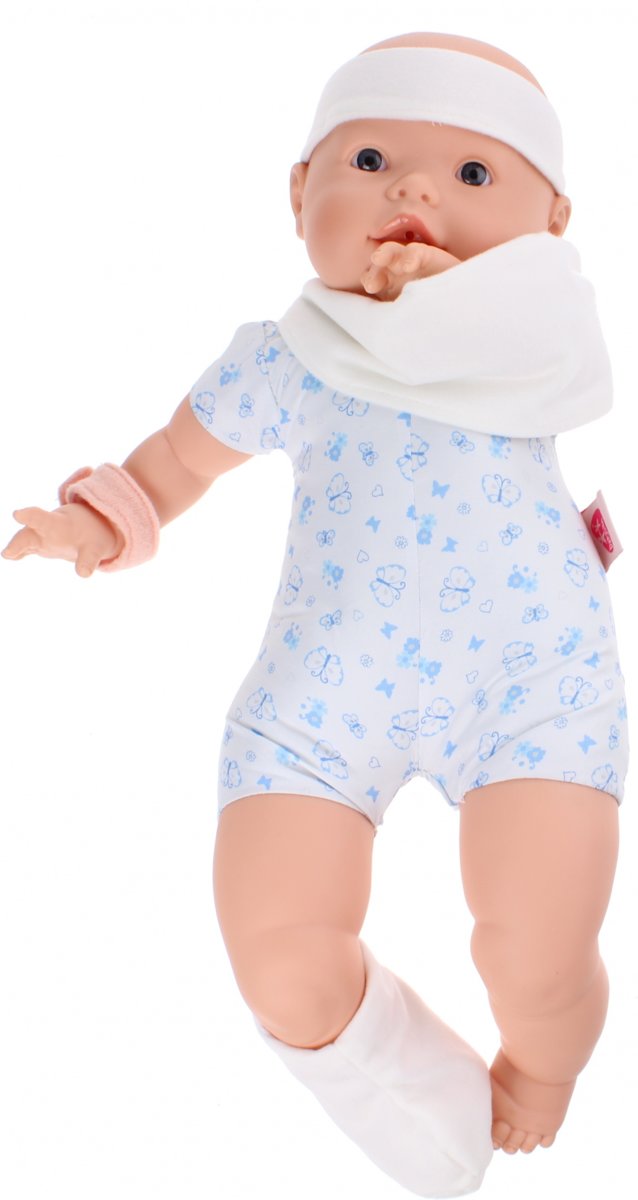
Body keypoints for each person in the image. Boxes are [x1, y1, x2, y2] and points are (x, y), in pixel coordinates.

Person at [2, 29, 627, 1199]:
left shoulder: (539, 345)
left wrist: (441, 306)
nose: (413, 190)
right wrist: (97, 522)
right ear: (299, 195)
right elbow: (171, 466)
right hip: (324, 700)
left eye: (472, 173)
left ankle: (541, 1068)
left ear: (550, 227)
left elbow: (530, 324)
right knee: (279, 956)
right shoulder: (289, 358)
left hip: (529, 691)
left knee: (533, 953)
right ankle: (426, 1109)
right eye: (370, 159)